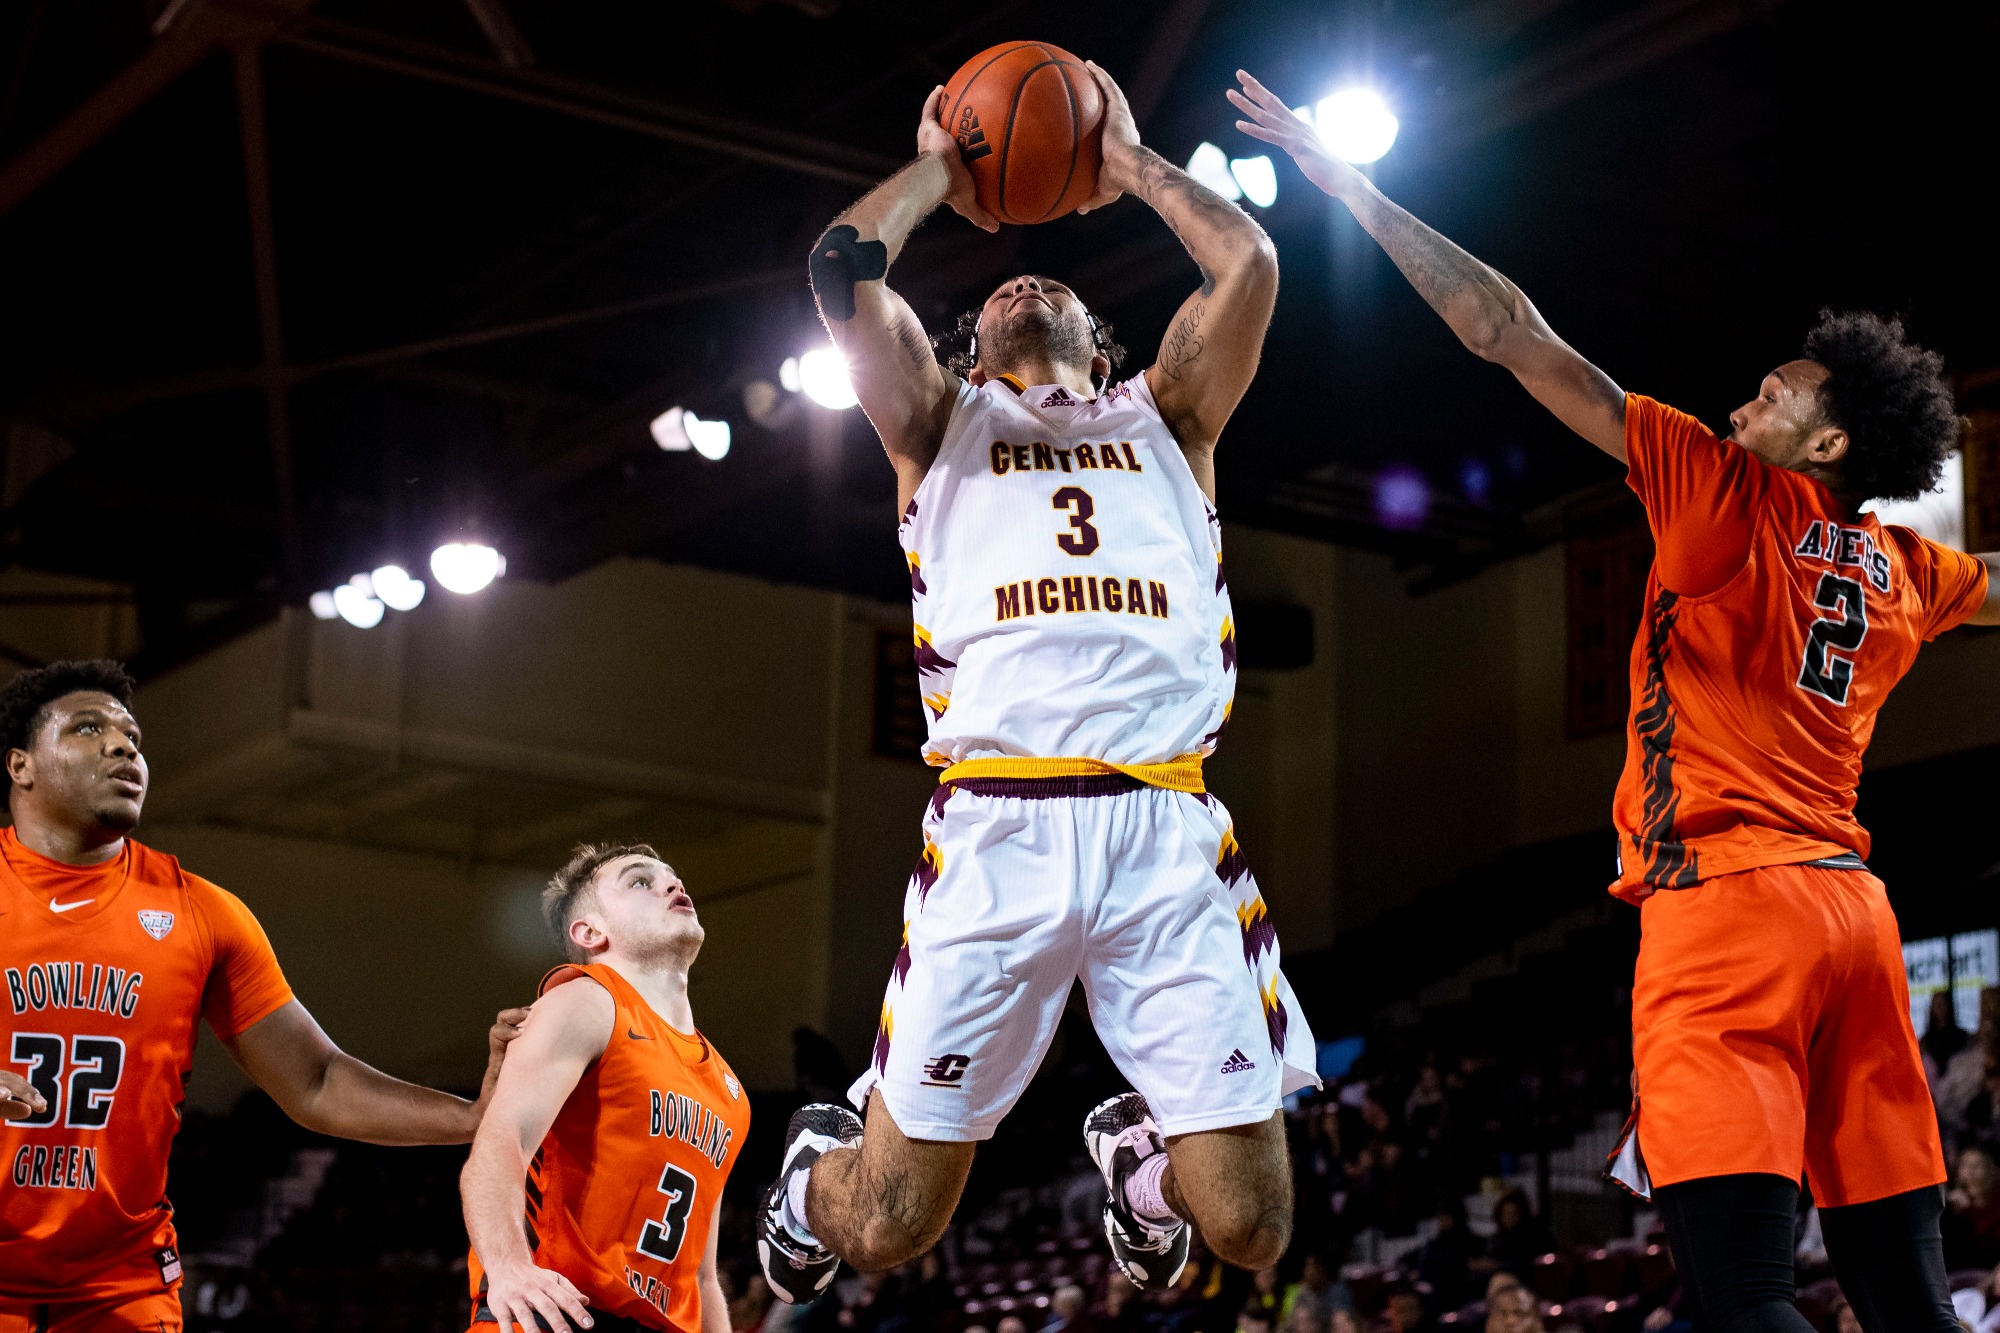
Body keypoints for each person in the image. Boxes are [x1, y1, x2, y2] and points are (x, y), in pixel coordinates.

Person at [1232, 63, 1999, 1333]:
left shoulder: (1720, 491)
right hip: (1855, 925)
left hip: (1727, 915)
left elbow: (1506, 331)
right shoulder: (1903, 566)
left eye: (1779, 389)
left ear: (1826, 446)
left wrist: (1353, 190)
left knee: (1738, 1298)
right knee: (1909, 1309)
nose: (1748, 394)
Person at [757, 60, 1317, 1303]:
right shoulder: (932, 420)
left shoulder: (1169, 418)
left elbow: (1250, 268)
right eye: (1004, 281)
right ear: (970, 341)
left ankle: (1140, 1165)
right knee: (890, 1225)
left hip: (1163, 823)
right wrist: (939, 169)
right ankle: (808, 1174)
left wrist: (1123, 166)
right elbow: (841, 269)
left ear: (1095, 334)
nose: (1023, 281)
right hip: (999, 828)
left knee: (1254, 1227)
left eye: (1049, 279)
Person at [0, 659, 525, 1333]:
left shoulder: (204, 912)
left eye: (132, 734)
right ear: (20, 765)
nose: (123, 745)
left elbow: (316, 1079)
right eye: (87, 727)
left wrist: (473, 1117)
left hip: (119, 1286)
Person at [461, 842, 749, 1333]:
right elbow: (498, 1145)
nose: (672, 885)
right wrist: (510, 1269)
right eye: (640, 881)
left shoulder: (729, 1090)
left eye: (672, 876)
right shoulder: (585, 1002)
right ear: (591, 932)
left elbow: (700, 1275)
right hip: (558, 1310)